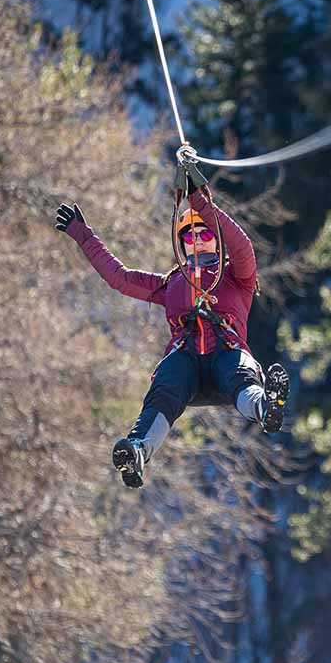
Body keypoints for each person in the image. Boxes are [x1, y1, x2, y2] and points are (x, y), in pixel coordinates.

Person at [54, 158, 288, 488]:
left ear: (216, 240)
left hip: (226, 353)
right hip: (187, 360)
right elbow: (120, 278)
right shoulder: (170, 284)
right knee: (165, 385)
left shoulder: (238, 277)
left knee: (240, 372)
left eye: (205, 233)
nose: (197, 240)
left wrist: (199, 204)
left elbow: (242, 246)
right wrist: (83, 235)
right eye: (189, 236)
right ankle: (137, 451)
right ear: (181, 244)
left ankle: (264, 407)